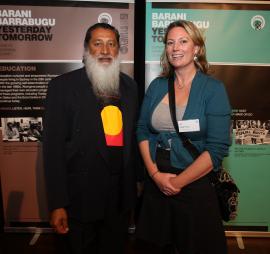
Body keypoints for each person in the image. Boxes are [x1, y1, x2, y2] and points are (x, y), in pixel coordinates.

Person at [43, 23, 139, 254]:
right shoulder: (62, 87)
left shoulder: (130, 86)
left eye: (111, 44)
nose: (105, 50)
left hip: (118, 200)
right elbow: (53, 150)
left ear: (118, 50)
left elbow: (133, 140)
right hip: (80, 199)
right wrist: (57, 204)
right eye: (98, 43)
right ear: (86, 49)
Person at [136, 20, 231, 254]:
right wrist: (155, 175)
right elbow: (142, 130)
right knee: (156, 246)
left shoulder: (213, 89)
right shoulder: (157, 86)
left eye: (183, 41)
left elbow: (217, 149)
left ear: (196, 48)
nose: (175, 48)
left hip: (195, 183)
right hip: (156, 183)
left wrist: (177, 183)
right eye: (170, 42)